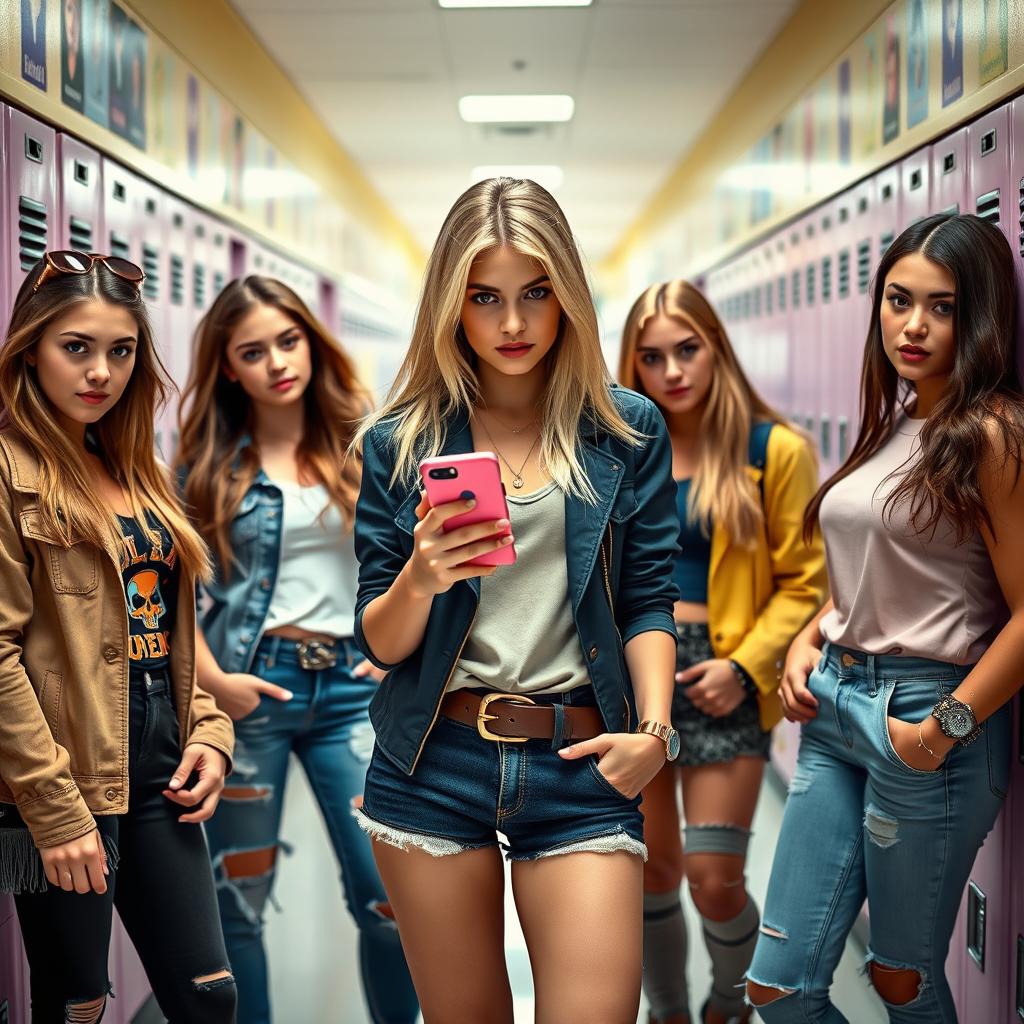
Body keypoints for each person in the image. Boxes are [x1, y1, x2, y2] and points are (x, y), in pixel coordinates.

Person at [351, 177, 680, 1023]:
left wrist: (654, 734)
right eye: (484, 297)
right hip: (434, 758)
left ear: (567, 295)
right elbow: (381, 641)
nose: (512, 324)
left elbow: (648, 599)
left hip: (581, 757)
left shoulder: (626, 431)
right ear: (450, 306)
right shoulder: (400, 443)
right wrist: (421, 575)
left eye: (536, 293)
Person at [746, 213, 1024, 1023]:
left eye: (943, 307)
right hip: (836, 705)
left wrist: (940, 730)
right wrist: (806, 641)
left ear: (980, 318)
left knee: (903, 980)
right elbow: (870, 575)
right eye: (899, 300)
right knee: (777, 988)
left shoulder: (995, 433)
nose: (913, 326)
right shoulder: (895, 420)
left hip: (925, 716)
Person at [0, 250, 236, 1022]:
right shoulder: (8, 471)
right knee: (78, 1006)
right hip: (63, 774)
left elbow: (170, 633)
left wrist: (210, 732)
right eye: (77, 347)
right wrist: (53, 809)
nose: (102, 372)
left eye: (122, 350)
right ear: (31, 349)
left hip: (161, 771)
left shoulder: (138, 469)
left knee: (209, 997)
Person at [176, 275, 418, 1024]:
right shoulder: (208, 464)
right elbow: (165, 593)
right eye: (253, 352)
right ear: (228, 368)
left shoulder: (371, 444)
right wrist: (217, 681)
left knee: (390, 898)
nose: (278, 362)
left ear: (312, 343)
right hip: (253, 690)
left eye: (289, 341)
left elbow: (419, 563)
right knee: (239, 904)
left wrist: (394, 652)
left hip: (354, 688)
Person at [618, 281, 826, 1024]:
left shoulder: (774, 450)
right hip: (635, 674)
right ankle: (669, 1012)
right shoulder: (618, 450)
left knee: (713, 879)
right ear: (631, 363)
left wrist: (744, 668)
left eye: (687, 349)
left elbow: (808, 582)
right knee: (651, 875)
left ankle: (727, 1006)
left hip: (726, 673)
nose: (672, 371)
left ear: (716, 348)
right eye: (651, 357)